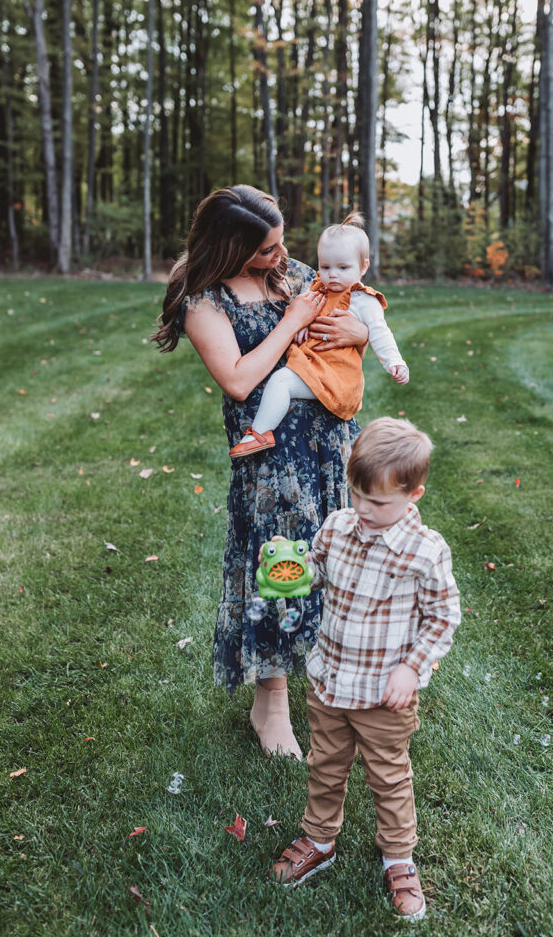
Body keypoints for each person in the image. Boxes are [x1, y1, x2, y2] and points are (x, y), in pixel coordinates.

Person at [153, 185, 369, 761]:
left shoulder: (292, 274)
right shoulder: (205, 301)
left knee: (337, 557)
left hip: (332, 440)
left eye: (281, 242)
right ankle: (271, 703)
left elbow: (350, 306)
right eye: (268, 248)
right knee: (282, 566)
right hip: (272, 458)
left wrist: (361, 333)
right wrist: (293, 318)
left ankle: (335, 676)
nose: (283, 255)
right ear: (232, 247)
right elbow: (239, 379)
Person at [271, 417, 461, 920]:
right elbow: (317, 571)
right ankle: (319, 840)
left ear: (413, 494)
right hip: (330, 679)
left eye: (378, 502)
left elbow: (444, 618)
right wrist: (294, 573)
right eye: (356, 495)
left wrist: (412, 668)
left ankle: (398, 859)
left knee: (388, 777)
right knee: (325, 765)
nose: (364, 510)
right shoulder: (338, 526)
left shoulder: (425, 551)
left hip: (383, 694)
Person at [228, 213, 409, 458]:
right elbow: (304, 314)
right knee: (282, 381)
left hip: (336, 376)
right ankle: (260, 434)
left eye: (343, 268)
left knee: (281, 381)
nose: (332, 274)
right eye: (325, 267)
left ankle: (259, 434)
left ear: (363, 266)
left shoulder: (364, 300)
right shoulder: (318, 290)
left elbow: (380, 332)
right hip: (315, 367)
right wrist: (303, 325)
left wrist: (394, 362)